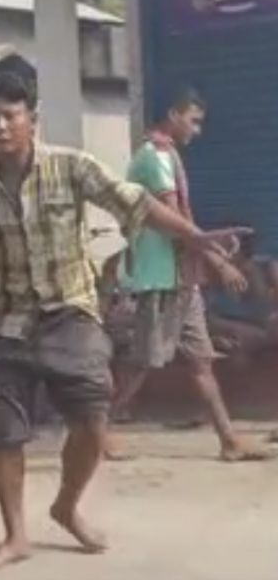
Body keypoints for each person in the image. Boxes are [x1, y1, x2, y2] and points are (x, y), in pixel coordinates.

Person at [0, 72, 235, 570]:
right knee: (3, 435)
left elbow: (136, 202)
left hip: (70, 315)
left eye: (9, 116)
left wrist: (196, 239)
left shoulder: (72, 167)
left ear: (32, 121)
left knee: (93, 423)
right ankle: (16, 535)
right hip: (0, 322)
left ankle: (66, 506)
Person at [106, 93, 266, 461]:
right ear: (172, 114)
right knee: (143, 361)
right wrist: (218, 261)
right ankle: (97, 430)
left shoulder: (163, 155)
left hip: (180, 278)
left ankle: (229, 440)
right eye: (192, 120)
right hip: (161, 277)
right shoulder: (156, 157)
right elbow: (176, 223)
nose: (196, 129)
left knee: (199, 360)